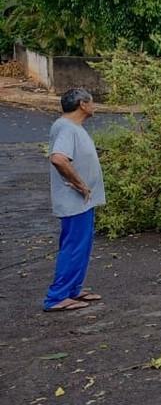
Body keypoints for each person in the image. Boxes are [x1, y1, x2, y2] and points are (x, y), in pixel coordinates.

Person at [43, 87, 106, 313]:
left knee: (82, 245)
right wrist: (79, 183)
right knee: (74, 247)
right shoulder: (67, 128)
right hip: (74, 200)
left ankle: (72, 289)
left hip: (82, 201)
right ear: (82, 104)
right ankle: (57, 296)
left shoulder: (71, 127)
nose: (93, 106)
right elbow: (59, 159)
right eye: (91, 101)